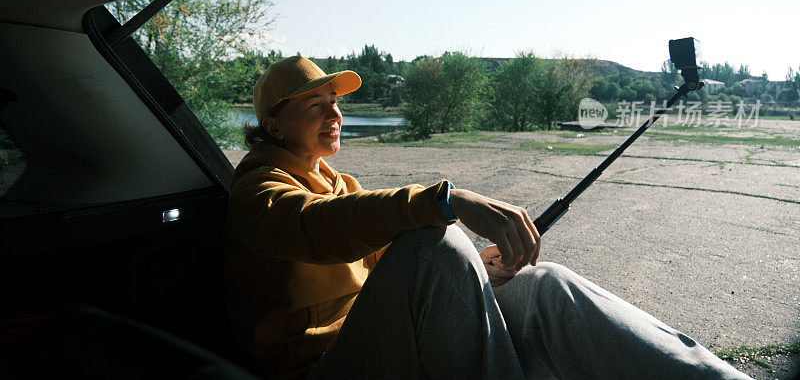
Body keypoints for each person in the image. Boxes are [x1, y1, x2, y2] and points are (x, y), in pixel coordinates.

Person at [224, 56, 749, 380]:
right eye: (315, 104)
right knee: (435, 242)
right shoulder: (257, 191)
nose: (335, 113)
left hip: (388, 342)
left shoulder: (340, 184)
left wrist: (473, 267)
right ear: (273, 121)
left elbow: (392, 271)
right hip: (320, 369)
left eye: (335, 101)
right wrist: (449, 201)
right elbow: (320, 227)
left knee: (544, 286)